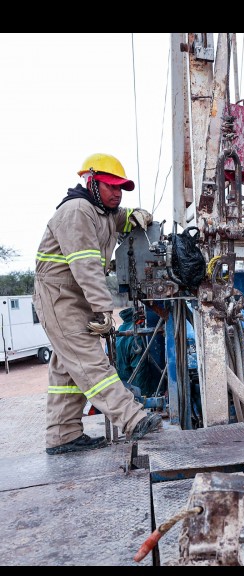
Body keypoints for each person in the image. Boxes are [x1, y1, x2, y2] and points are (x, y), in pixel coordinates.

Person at [33, 152, 163, 455]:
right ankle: (132, 419)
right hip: (60, 296)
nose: (117, 193)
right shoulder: (77, 211)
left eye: (121, 188)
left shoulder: (104, 211)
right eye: (110, 186)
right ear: (92, 182)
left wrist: (136, 215)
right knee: (90, 361)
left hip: (75, 294)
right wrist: (104, 309)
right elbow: (86, 266)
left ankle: (63, 435)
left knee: (67, 369)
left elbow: (122, 218)